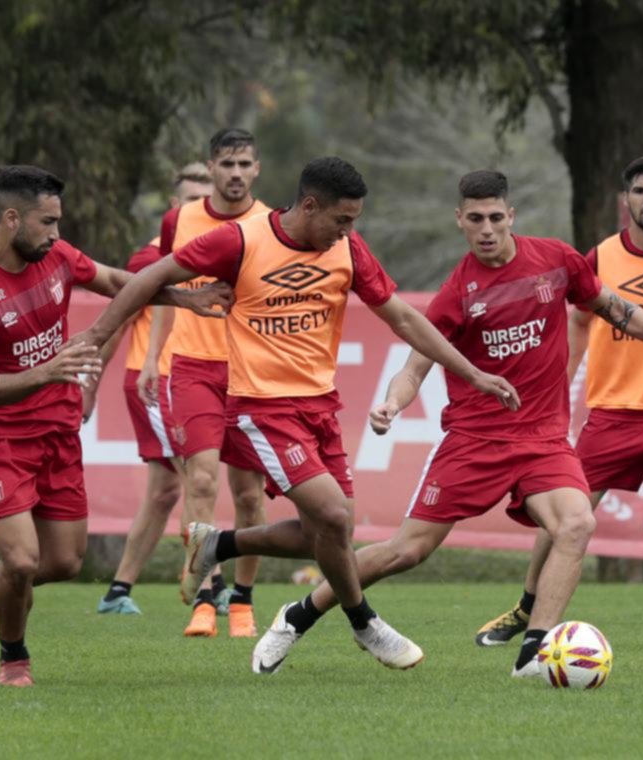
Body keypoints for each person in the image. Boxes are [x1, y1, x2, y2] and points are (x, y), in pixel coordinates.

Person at [247, 170, 643, 677]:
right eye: (476, 219)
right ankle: (298, 615)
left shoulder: (557, 260)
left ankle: (534, 654)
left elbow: (614, 308)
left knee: (576, 523)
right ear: (460, 221)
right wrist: (392, 403)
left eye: (496, 217)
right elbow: (414, 367)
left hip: (543, 439)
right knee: (407, 552)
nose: (487, 228)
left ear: (510, 215)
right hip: (474, 442)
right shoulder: (457, 292)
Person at [77, 156, 521, 673]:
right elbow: (148, 276)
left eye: (353, 221)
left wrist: (472, 373)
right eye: (341, 220)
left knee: (331, 534)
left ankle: (217, 544)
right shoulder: (240, 241)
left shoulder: (348, 250)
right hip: (260, 410)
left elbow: (401, 316)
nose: (348, 232)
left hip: (321, 409)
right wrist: (98, 336)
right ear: (310, 206)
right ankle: (363, 621)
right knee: (332, 516)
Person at [0, 165, 230, 687]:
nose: (55, 234)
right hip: (0, 440)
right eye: (46, 222)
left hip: (58, 432)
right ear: (11, 218)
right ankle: (14, 660)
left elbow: (120, 282)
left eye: (58, 222)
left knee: (65, 562)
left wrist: (184, 298)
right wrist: (51, 369)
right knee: (23, 561)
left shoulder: (57, 257)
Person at [476, 150, 643, 651]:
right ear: (626, 201)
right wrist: (559, 383)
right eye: (640, 191)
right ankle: (524, 610)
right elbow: (577, 322)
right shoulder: (598, 257)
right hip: (613, 412)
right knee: (564, 516)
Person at [141, 129, 271, 639]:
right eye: (226, 163)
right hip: (192, 365)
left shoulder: (271, 223)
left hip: (250, 371)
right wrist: (152, 356)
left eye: (244, 163)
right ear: (210, 168)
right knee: (199, 481)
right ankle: (205, 596)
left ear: (256, 169)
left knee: (249, 495)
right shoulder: (180, 220)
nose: (235, 173)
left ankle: (242, 600)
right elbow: (163, 288)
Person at [91, 162, 214, 616]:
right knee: (195, 478)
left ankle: (118, 590)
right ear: (173, 206)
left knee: (165, 490)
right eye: (192, 200)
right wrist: (91, 384)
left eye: (208, 199)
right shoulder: (152, 260)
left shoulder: (222, 251)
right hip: (157, 382)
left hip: (192, 379)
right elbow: (118, 321)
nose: (202, 208)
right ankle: (213, 586)